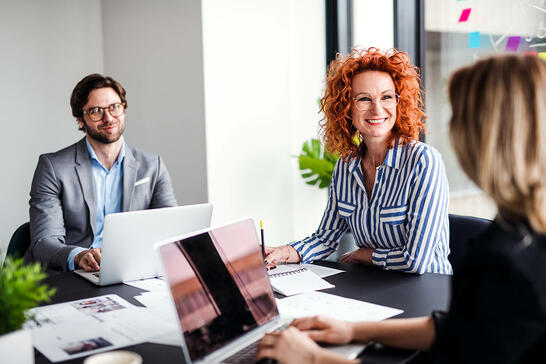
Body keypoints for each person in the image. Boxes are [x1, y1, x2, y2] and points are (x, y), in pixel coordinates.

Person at [257, 54, 546, 363]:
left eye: (459, 117)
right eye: (364, 99)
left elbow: (453, 328)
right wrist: (354, 331)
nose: (451, 129)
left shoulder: (505, 262)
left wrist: (313, 359)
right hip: (377, 295)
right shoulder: (518, 235)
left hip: (421, 291)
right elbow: (460, 330)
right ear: (347, 108)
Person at [265, 48, 451, 274]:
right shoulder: (345, 167)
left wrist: (366, 255)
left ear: (398, 102)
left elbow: (416, 261)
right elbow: (325, 238)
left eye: (387, 97)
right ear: (346, 107)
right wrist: (283, 252)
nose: (377, 108)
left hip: (428, 290)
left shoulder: (423, 161)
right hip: (373, 286)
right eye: (364, 99)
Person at [26, 74, 177, 272]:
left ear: (124, 109)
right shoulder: (52, 167)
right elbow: (44, 242)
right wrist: (78, 255)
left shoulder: (152, 166)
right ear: (80, 119)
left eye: (114, 107)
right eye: (96, 111)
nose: (108, 118)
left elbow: (172, 229)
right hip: (72, 273)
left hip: (129, 271)